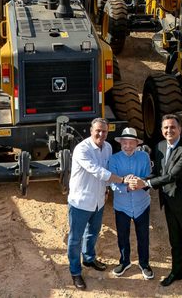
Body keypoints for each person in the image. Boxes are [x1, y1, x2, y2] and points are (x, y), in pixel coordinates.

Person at [129, 114, 182, 298]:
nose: (169, 131)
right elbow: (157, 172)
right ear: (162, 131)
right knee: (175, 242)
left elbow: (172, 176)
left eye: (172, 127)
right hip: (169, 202)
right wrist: (141, 178)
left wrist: (145, 184)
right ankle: (177, 273)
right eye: (166, 128)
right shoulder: (160, 146)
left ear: (180, 129)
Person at [67, 118, 126, 290]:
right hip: (81, 202)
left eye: (104, 131)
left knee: (93, 233)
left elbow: (108, 168)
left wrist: (107, 190)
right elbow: (99, 172)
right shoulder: (82, 150)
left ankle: (89, 259)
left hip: (98, 201)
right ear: (91, 131)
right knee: (75, 239)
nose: (101, 134)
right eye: (98, 131)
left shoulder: (107, 147)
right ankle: (75, 271)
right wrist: (122, 180)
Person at [108, 127, 153, 280]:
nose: (128, 146)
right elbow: (112, 182)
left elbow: (148, 177)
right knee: (122, 235)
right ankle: (124, 261)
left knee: (143, 236)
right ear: (120, 143)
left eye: (131, 143)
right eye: (124, 143)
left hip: (142, 204)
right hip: (122, 206)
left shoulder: (144, 157)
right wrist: (126, 187)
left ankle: (144, 263)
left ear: (136, 143)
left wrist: (140, 183)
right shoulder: (114, 159)